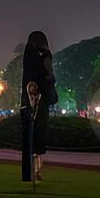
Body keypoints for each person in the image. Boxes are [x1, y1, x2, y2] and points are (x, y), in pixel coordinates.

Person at [20, 31, 58, 182]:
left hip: (29, 104)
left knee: (32, 141)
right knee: (36, 140)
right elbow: (48, 78)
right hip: (36, 104)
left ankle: (32, 173)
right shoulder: (42, 57)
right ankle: (34, 173)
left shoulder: (31, 58)